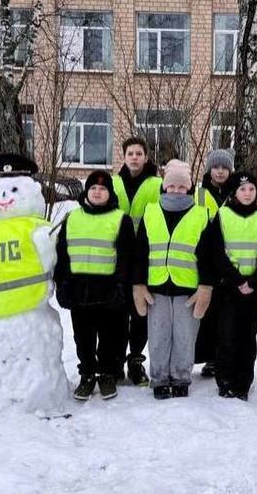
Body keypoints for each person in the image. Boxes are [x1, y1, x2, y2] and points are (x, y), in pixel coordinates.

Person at [132, 160, 213, 399]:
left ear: (189, 188)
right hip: (156, 288)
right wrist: (138, 284)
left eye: (181, 187)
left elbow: (208, 255)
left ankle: (180, 378)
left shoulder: (200, 214)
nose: (176, 190)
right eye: (172, 186)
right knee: (158, 335)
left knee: (185, 337)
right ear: (164, 187)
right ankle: (158, 379)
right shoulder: (151, 212)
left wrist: (205, 286)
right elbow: (140, 252)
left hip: (188, 290)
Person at [54, 171, 135, 401]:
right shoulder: (72, 217)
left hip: (110, 291)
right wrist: (63, 283)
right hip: (80, 292)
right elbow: (62, 253)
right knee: (83, 338)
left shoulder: (120, 219)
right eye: (93, 188)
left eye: (102, 189)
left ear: (110, 193)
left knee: (112, 338)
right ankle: (87, 374)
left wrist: (121, 287)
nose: (97, 192)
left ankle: (108, 374)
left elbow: (126, 257)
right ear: (86, 192)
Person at [212, 172, 257, 401]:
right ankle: (225, 380)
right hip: (229, 289)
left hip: (254, 290)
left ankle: (243, 382)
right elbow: (217, 253)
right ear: (234, 193)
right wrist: (236, 280)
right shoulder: (223, 215)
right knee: (227, 335)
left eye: (251, 189)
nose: (247, 193)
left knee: (248, 337)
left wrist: (256, 279)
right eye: (242, 189)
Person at [112, 136, 162, 386]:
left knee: (141, 312)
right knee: (119, 313)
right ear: (123, 156)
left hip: (146, 257)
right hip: (118, 258)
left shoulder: (157, 184)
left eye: (139, 153)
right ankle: (116, 361)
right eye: (130, 153)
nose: (134, 157)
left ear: (146, 156)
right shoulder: (113, 183)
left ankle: (135, 360)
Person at [194, 148, 235, 379]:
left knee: (226, 315)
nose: (220, 172)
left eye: (224, 168)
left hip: (231, 261)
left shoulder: (238, 192)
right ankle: (209, 358)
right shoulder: (199, 195)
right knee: (207, 314)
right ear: (210, 169)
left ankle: (223, 356)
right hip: (206, 259)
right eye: (216, 167)